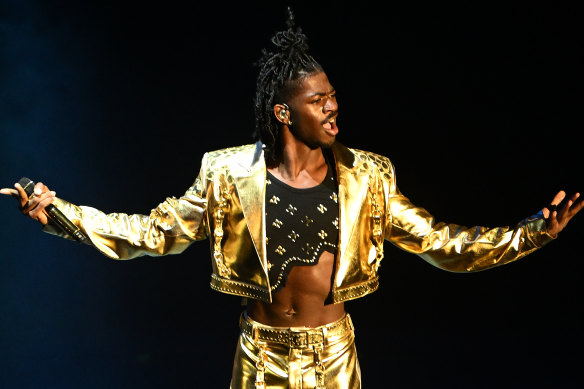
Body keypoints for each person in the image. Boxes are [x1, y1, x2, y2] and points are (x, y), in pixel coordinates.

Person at [2, 8, 582, 389]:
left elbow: (442, 244)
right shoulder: (228, 175)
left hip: (333, 357)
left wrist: (533, 230)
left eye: (333, 96)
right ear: (284, 111)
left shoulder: (368, 179)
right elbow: (152, 234)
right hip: (259, 356)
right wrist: (59, 212)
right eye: (318, 99)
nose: (333, 107)